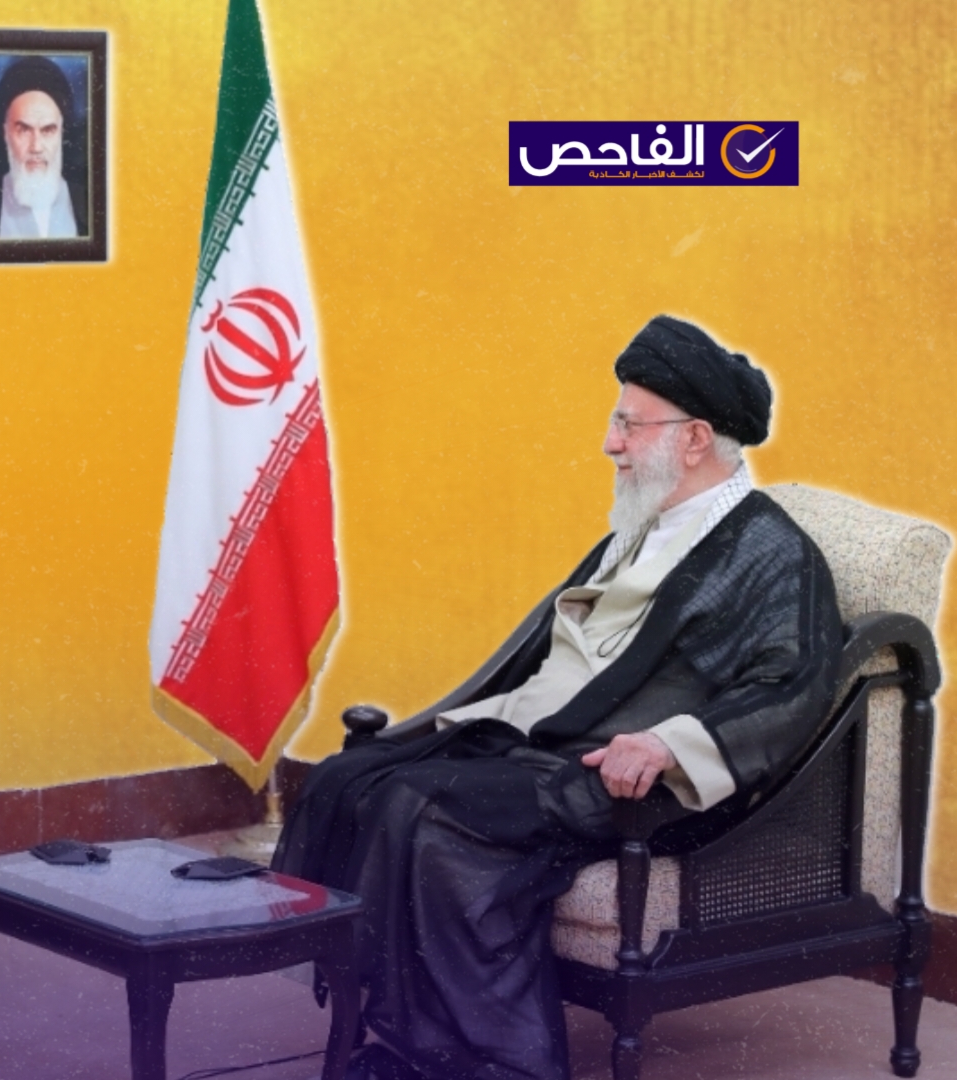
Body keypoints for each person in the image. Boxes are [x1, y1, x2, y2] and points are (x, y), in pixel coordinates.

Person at [274, 315, 843, 1080]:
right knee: (349, 779)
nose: (610, 443)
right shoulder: (645, 524)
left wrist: (669, 744)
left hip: (632, 778)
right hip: (546, 744)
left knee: (424, 807)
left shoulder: (771, 550)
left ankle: (490, 1064)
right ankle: (395, 1037)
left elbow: (791, 685)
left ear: (695, 439)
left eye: (629, 424)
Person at [0, 55, 86, 239]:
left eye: (48, 130)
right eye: (23, 130)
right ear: (5, 133)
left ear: (62, 133)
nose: (36, 147)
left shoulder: (90, 203)